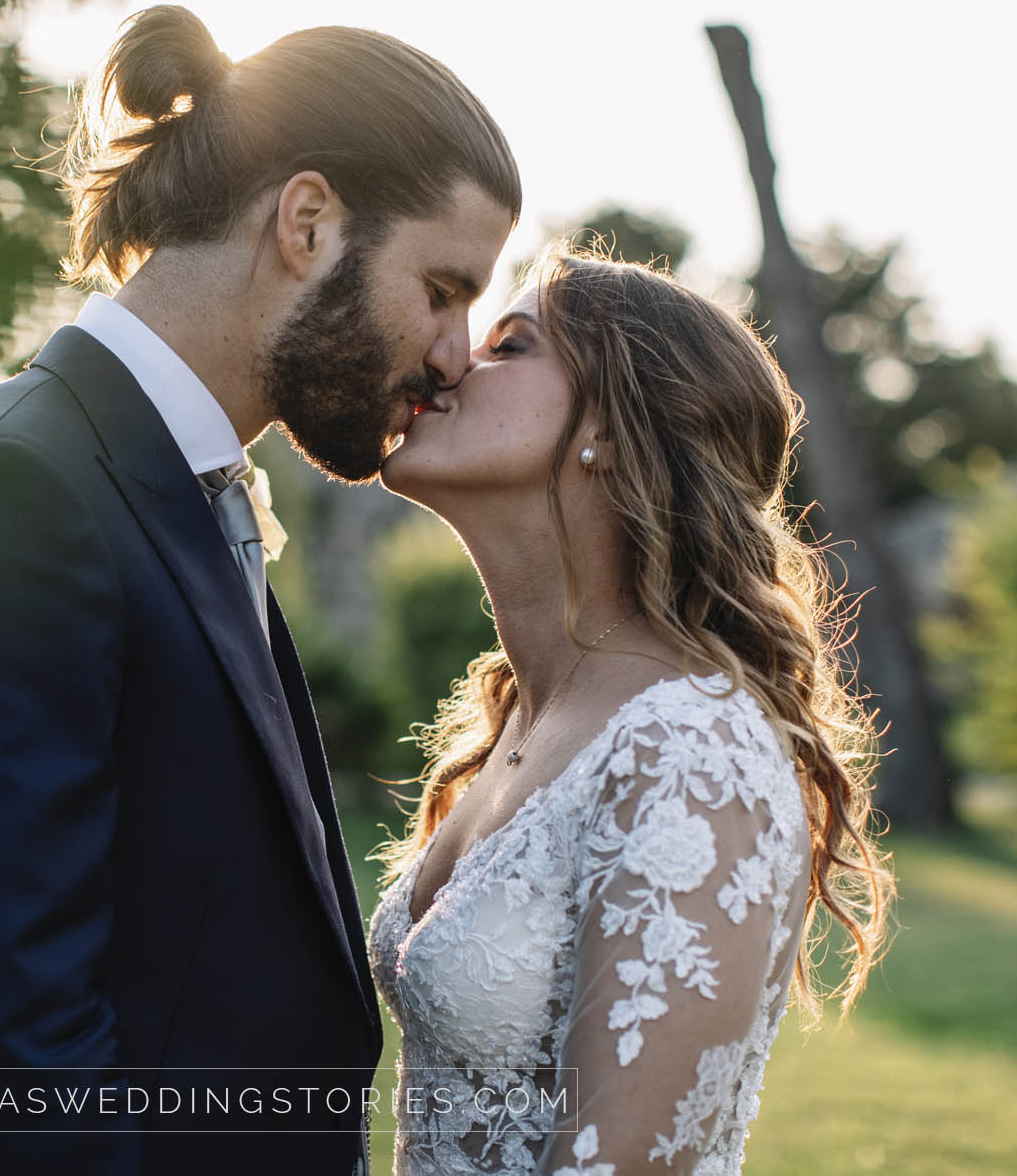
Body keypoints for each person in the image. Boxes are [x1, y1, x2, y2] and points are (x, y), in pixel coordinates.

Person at [0, 4, 519, 1175]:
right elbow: (15, 1082)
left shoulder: (169, 487)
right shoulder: (5, 494)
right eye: (442, 288)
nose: (455, 352)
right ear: (306, 221)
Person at [367, 249, 892, 1175]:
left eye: (508, 345)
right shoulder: (521, 716)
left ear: (611, 426)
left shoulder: (692, 750)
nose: (446, 362)